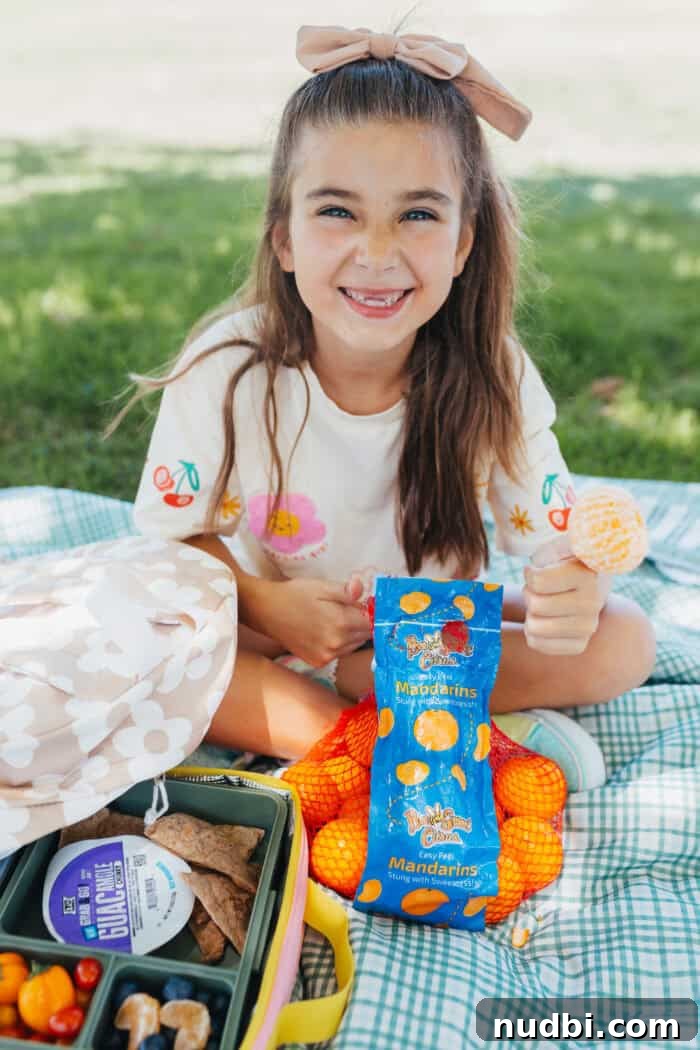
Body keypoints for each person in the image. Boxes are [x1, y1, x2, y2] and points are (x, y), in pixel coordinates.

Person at [111, 20, 656, 792]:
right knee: (145, 644)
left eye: (418, 215)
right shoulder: (227, 369)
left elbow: (555, 548)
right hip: (275, 627)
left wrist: (575, 590)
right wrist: (269, 604)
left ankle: (361, 715)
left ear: (463, 244)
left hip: (434, 630)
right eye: (338, 211)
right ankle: (445, 734)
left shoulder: (492, 374)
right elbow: (173, 544)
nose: (376, 253)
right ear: (284, 237)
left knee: (626, 638)